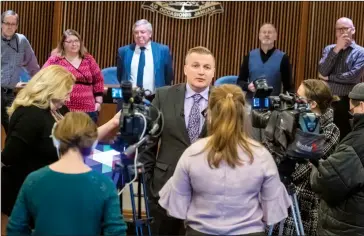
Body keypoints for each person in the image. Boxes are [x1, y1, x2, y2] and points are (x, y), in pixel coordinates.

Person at [158, 84, 292, 235]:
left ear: (209, 115)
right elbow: (273, 213)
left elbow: (176, 209)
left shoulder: (192, 153)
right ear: (244, 115)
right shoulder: (262, 156)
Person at [1, 65, 121, 228]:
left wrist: (113, 122)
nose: (68, 99)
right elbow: (9, 156)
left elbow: (81, 139)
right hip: (27, 191)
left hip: (52, 188)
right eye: (66, 92)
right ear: (53, 89)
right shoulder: (30, 114)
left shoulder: (60, 110)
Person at [6, 112, 127, 236]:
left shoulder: (33, 180)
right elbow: (116, 232)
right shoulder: (104, 185)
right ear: (93, 143)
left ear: (55, 140)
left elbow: (15, 229)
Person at [138, 46, 214, 235]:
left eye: (207, 67)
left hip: (208, 193)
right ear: (185, 68)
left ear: (213, 72)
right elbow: (147, 142)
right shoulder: (164, 95)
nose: (201, 71)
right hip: (165, 189)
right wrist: (149, 185)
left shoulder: (223, 100)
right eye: (195, 65)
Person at [263, 79, 340, 235]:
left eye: (298, 98)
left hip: (301, 204)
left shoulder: (330, 130)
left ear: (312, 104)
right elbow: (271, 151)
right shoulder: (291, 119)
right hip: (278, 193)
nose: (293, 101)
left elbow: (305, 169)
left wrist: (279, 168)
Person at [310, 82, 364, 235]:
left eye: (352, 110)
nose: (351, 115)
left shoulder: (356, 143)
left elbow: (327, 182)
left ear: (362, 106)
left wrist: (313, 164)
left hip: (349, 227)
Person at [237, 22, 293, 141]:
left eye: (270, 32)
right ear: (259, 36)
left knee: (269, 143)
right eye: (264, 32)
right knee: (251, 142)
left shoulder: (283, 58)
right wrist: (248, 86)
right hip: (252, 105)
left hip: (272, 108)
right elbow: (240, 81)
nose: (267, 35)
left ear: (275, 36)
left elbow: (289, 87)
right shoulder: (249, 56)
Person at [43, 29, 104, 123]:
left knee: (87, 136)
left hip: (88, 109)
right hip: (64, 108)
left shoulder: (88, 59)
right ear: (63, 43)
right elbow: (43, 76)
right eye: (70, 41)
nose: (74, 44)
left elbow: (98, 80)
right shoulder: (55, 60)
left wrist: (98, 102)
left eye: (76, 41)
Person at [318, 17, 364, 140]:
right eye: (339, 29)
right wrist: (337, 49)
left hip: (347, 101)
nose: (342, 32)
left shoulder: (361, 52)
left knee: (344, 136)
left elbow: (352, 77)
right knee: (325, 136)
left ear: (353, 30)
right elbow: (322, 70)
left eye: (346, 28)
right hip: (328, 100)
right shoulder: (329, 49)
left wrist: (329, 77)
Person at [1, 10, 40, 133]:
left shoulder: (21, 40)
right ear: (1, 24)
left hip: (9, 93)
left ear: (17, 26)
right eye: (7, 23)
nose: (10, 26)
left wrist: (40, 83)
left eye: (13, 24)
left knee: (13, 129)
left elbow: (32, 64)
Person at [116, 19, 174, 98]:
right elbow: (120, 76)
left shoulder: (162, 50)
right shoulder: (124, 51)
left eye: (142, 32)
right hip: (130, 99)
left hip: (154, 98)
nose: (139, 35)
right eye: (136, 32)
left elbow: (168, 76)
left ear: (150, 34)